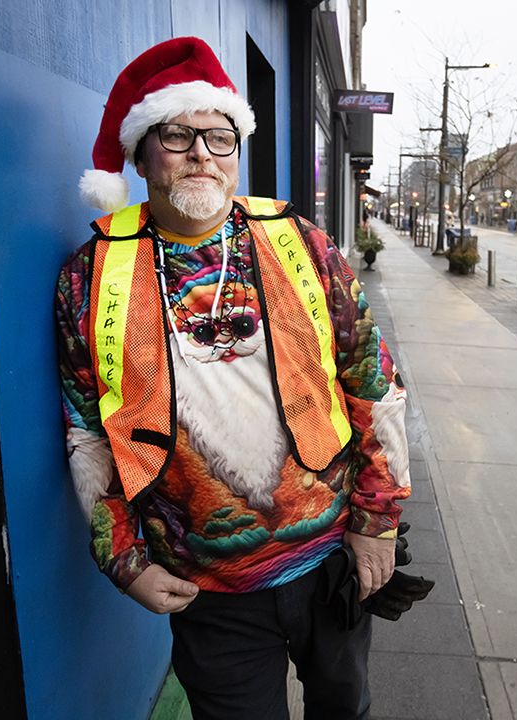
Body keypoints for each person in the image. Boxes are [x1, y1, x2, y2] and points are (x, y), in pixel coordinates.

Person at [56, 37, 411, 719]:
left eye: (219, 137)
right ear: (139, 153)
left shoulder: (301, 243)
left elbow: (372, 382)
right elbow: (88, 433)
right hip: (207, 588)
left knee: (347, 707)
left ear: (237, 150)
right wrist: (125, 562)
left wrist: (378, 519)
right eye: (178, 134)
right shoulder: (90, 276)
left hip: (332, 556)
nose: (200, 154)